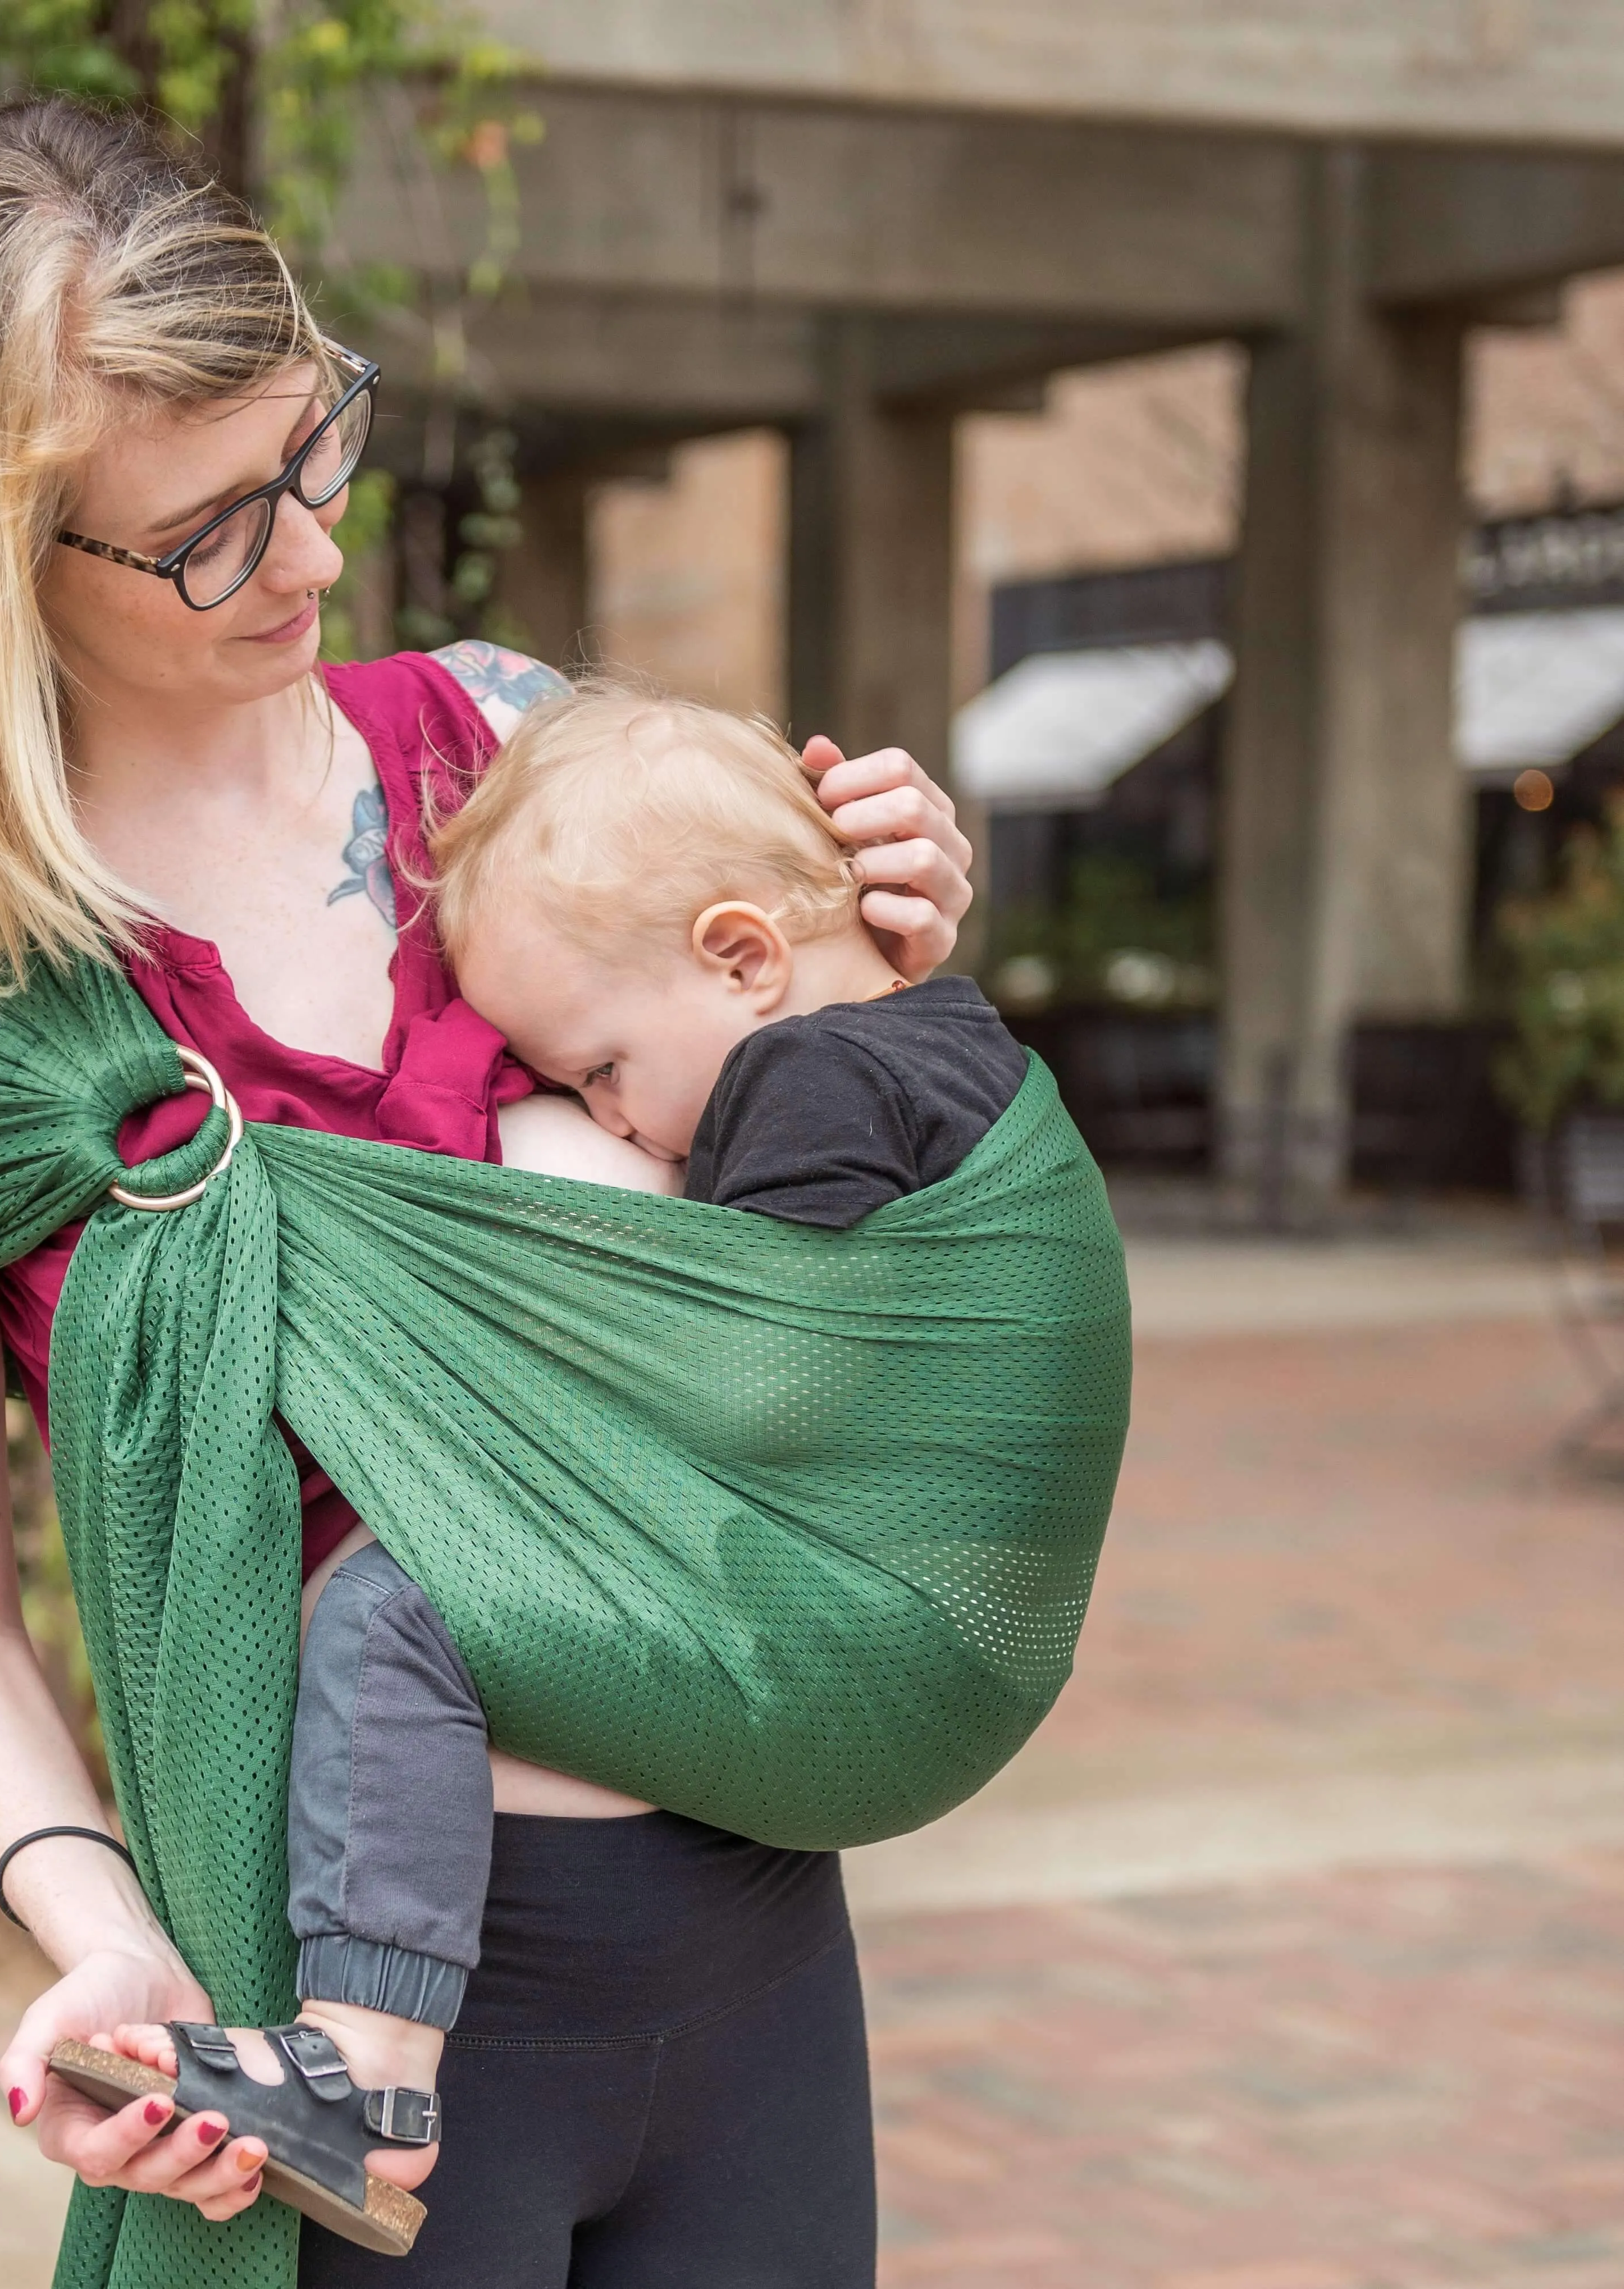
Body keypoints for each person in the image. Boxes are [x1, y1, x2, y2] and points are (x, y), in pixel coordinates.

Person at [0, 94, 973, 2287]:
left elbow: (812, 1241)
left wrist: (878, 946)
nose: (312, 555)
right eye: (212, 530)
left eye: (320, 454)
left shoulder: (514, 758)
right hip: (350, 2053)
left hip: (762, 1937)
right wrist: (105, 1940)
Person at [84, 681, 1027, 2248]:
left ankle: (370, 2064)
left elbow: (752, 1360)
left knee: (386, 1615)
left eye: (594, 1070)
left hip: (727, 1844)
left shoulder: (811, 1083)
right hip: (716, 1878)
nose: (604, 1116)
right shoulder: (939, 1039)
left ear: (741, 956)